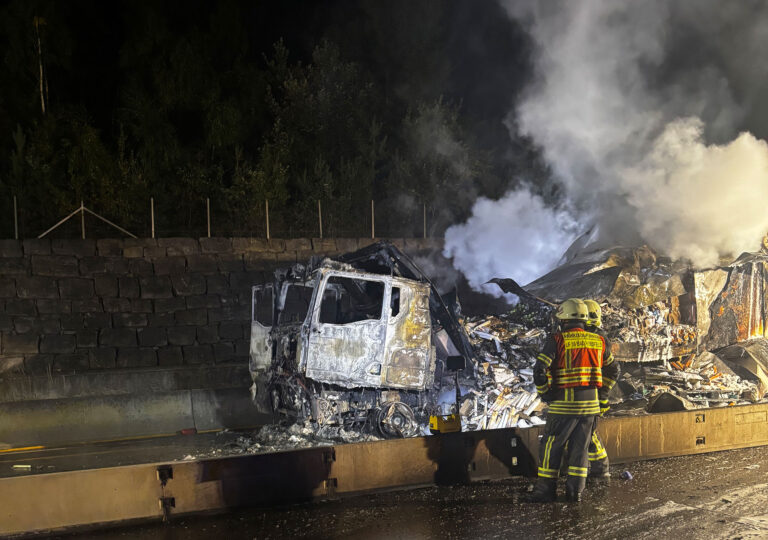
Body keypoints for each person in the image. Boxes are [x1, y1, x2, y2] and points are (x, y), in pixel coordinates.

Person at [526, 298, 618, 503]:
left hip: (564, 406)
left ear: (564, 319)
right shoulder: (598, 341)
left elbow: (540, 369)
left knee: (551, 445)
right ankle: (575, 493)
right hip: (590, 408)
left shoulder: (557, 340)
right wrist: (602, 395)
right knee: (580, 449)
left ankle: (545, 491)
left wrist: (545, 393)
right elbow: (613, 369)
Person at [583, 299, 619, 480]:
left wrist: (602, 396)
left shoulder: (598, 338)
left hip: (593, 396)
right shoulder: (592, 335)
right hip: (586, 395)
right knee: (586, 433)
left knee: (589, 433)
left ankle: (601, 469)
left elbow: (612, 370)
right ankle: (593, 469)